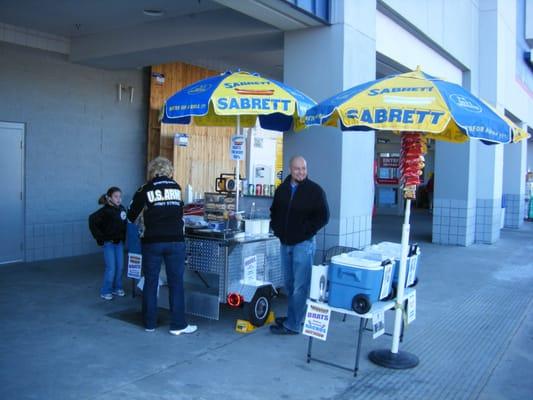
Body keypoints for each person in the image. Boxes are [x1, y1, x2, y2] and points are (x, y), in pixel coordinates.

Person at [127, 157, 197, 336]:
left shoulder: (145, 188)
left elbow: (131, 215)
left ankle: (150, 324)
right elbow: (179, 213)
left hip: (153, 241)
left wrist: (143, 221)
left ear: (152, 171)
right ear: (169, 171)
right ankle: (178, 325)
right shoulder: (176, 187)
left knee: (151, 282)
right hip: (175, 241)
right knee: (176, 283)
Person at [269, 156, 330, 334]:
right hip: (285, 243)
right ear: (290, 169)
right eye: (297, 169)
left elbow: (323, 216)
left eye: (303, 168)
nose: (301, 172)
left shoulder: (315, 191)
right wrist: (277, 229)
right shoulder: (282, 189)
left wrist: (306, 231)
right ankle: (292, 316)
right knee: (289, 283)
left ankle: (293, 324)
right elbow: (274, 211)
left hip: (303, 244)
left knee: (300, 285)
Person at [89, 187, 127, 300]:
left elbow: (124, 225)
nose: (119, 199)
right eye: (116, 196)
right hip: (109, 244)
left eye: (120, 196)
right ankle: (106, 290)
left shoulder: (122, 209)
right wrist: (101, 238)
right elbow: (92, 220)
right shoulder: (104, 211)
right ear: (109, 198)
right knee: (111, 268)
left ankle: (117, 288)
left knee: (120, 267)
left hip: (119, 243)